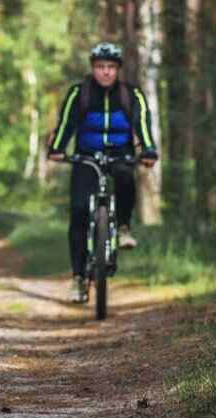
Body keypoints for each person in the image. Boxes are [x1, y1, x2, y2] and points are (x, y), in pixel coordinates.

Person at [46, 42, 159, 303]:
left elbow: (142, 124)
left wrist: (149, 150)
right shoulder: (80, 93)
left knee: (124, 177)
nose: (105, 72)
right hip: (86, 157)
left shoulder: (132, 95)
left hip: (121, 154)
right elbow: (66, 123)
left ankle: (122, 227)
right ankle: (78, 278)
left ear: (118, 69)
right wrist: (57, 148)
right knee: (78, 212)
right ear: (93, 68)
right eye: (100, 67)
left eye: (110, 67)